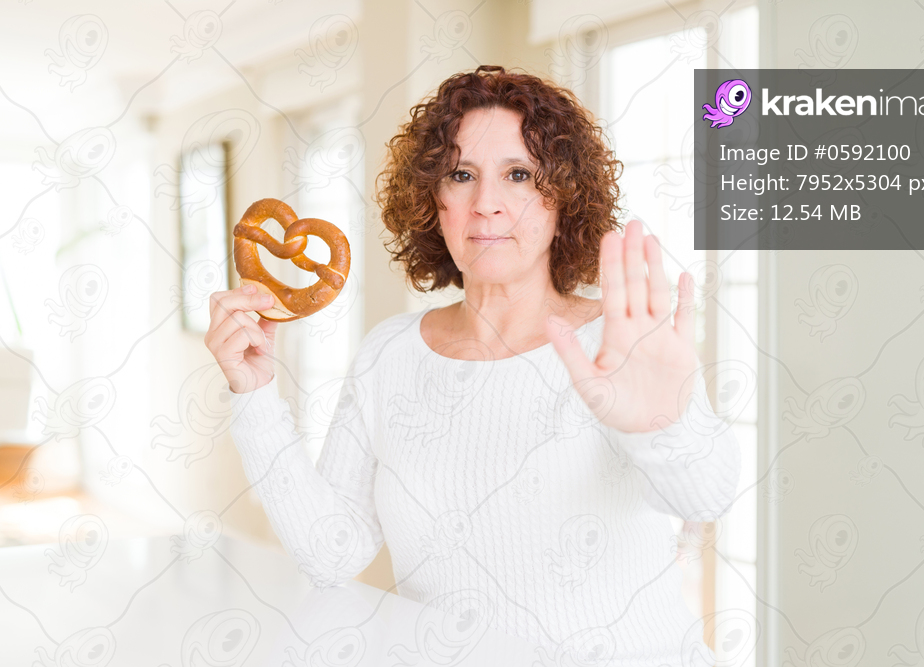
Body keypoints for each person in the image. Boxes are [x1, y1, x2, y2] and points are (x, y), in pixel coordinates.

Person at [205, 64, 741, 666]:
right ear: (434, 200)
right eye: (462, 175)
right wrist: (254, 397)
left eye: (519, 175)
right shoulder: (389, 354)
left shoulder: (619, 338)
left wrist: (664, 427)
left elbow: (708, 494)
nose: (487, 205)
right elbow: (332, 553)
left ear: (563, 198)